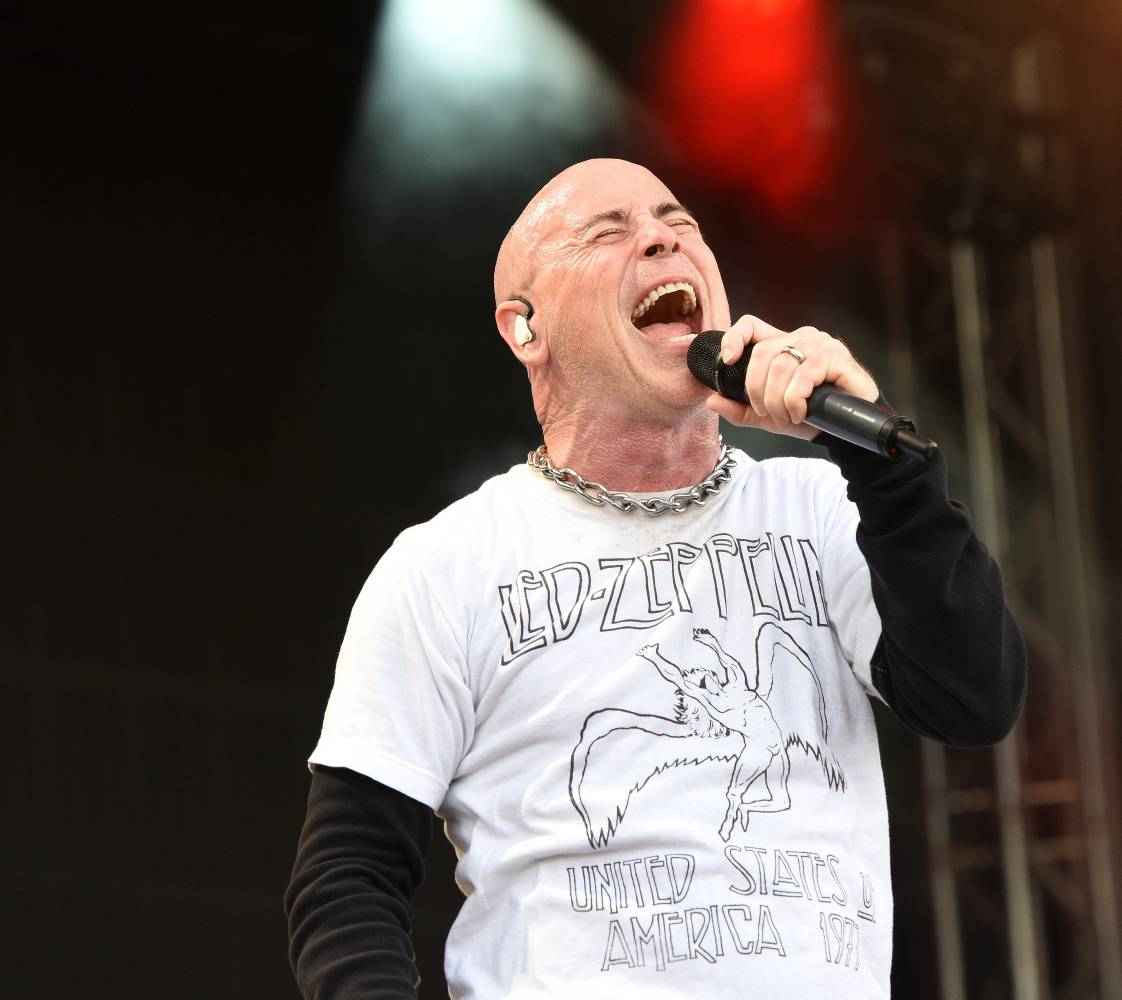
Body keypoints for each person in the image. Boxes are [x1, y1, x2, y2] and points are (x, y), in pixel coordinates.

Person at [285, 159, 1024, 1000]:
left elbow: (973, 700)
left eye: (680, 222)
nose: (661, 239)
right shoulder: (447, 567)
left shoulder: (824, 508)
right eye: (608, 232)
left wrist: (883, 465)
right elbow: (346, 879)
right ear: (525, 328)